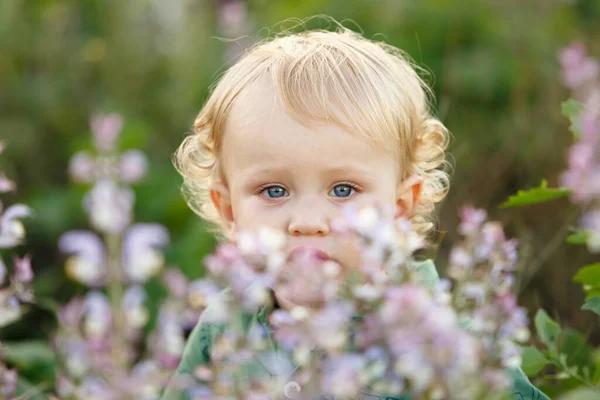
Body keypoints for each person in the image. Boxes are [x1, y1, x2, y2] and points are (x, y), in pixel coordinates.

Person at [163, 19, 549, 400]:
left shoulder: (442, 339)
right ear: (229, 212)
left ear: (399, 209)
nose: (308, 222)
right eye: (274, 190)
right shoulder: (225, 327)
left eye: (343, 189)